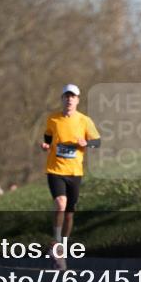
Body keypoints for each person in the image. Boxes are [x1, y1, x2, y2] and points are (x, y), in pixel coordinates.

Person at [40, 84, 101, 270]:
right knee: (61, 203)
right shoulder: (53, 118)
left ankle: (62, 248)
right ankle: (56, 242)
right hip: (55, 169)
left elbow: (97, 142)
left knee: (69, 213)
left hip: (75, 172)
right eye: (66, 96)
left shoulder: (84, 120)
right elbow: (48, 137)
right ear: (62, 99)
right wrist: (46, 145)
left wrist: (86, 143)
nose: (69, 99)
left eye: (73, 96)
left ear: (77, 100)